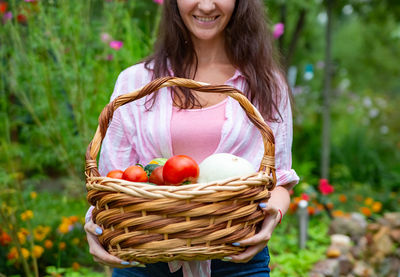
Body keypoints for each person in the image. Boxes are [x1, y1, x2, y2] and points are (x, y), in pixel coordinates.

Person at [84, 0, 299, 276]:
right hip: (145, 256)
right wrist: (94, 225)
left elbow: (279, 179)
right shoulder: (135, 83)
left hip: (236, 256)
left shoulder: (266, 84)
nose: (207, 5)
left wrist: (272, 219)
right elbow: (109, 183)